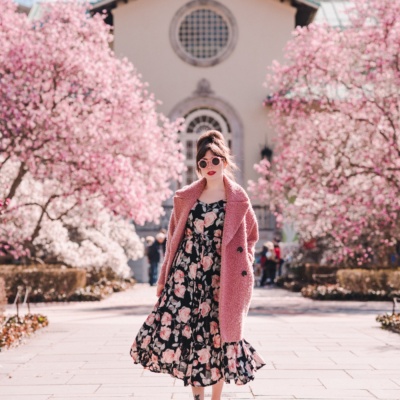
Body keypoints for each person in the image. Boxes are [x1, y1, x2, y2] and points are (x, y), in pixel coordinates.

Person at [129, 130, 265, 400]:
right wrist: (166, 277)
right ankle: (198, 397)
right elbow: (172, 238)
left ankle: (215, 397)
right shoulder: (184, 198)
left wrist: (245, 261)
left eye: (215, 160)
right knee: (188, 335)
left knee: (220, 335)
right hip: (186, 277)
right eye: (203, 162)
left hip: (221, 277)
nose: (209, 166)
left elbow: (251, 236)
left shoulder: (238, 200)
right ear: (198, 167)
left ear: (224, 162)